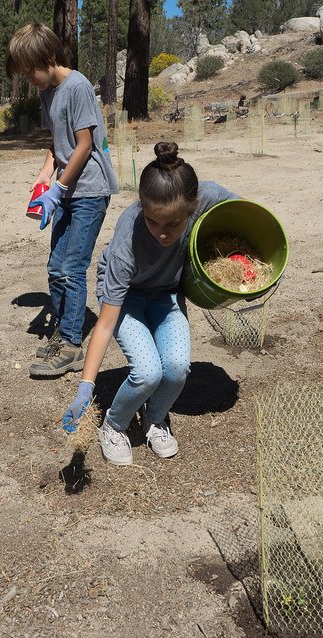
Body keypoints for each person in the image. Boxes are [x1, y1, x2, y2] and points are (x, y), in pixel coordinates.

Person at [62, 142, 239, 465]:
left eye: (174, 224)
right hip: (127, 297)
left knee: (175, 369)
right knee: (147, 372)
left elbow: (245, 216)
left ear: (193, 206)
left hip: (166, 293)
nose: (162, 233)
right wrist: (86, 389)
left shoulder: (205, 197)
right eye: (153, 222)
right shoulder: (126, 243)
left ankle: (155, 418)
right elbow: (104, 324)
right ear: (142, 206)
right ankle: (114, 425)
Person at [6, 22, 119, 378]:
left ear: (49, 57)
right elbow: (58, 141)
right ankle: (63, 330)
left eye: (30, 71)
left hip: (89, 190)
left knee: (72, 267)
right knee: (55, 267)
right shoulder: (48, 92)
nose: (29, 79)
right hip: (67, 189)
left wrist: (58, 188)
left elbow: (85, 145)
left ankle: (70, 343)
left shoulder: (78, 87)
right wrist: (45, 172)